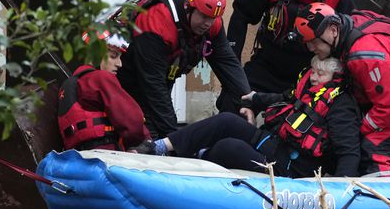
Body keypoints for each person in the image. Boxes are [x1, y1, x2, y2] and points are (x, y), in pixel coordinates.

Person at [139, 56, 360, 178]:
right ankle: (158, 147)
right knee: (227, 120)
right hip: (272, 145)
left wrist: (340, 189)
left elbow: (348, 151)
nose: (313, 77)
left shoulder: (341, 105)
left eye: (320, 74)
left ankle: (194, 161)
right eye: (312, 71)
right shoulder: (308, 90)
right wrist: (251, 101)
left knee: (230, 147)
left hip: (288, 169)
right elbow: (282, 99)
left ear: (336, 78)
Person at [294, 2, 390, 176]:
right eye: (307, 43)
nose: (311, 49)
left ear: (333, 30)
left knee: (373, 147)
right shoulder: (349, 29)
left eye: (314, 42)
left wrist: (359, 129)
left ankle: (379, 198)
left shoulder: (364, 54)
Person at [217, 0, 355, 112]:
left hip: (306, 74)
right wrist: (233, 67)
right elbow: (241, 14)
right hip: (265, 66)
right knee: (231, 102)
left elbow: (346, 43)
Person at [115, 0, 253, 138]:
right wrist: (175, 138)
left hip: (160, 76)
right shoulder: (157, 22)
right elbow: (153, 86)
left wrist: (248, 101)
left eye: (212, 18)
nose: (208, 23)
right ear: (188, 6)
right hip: (128, 78)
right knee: (150, 136)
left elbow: (229, 64)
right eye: (203, 16)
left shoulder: (212, 23)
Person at [58, 31, 151, 151]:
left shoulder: (71, 83)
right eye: (113, 56)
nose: (120, 64)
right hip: (106, 155)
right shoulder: (101, 78)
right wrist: (146, 142)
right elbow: (132, 122)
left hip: (79, 157)